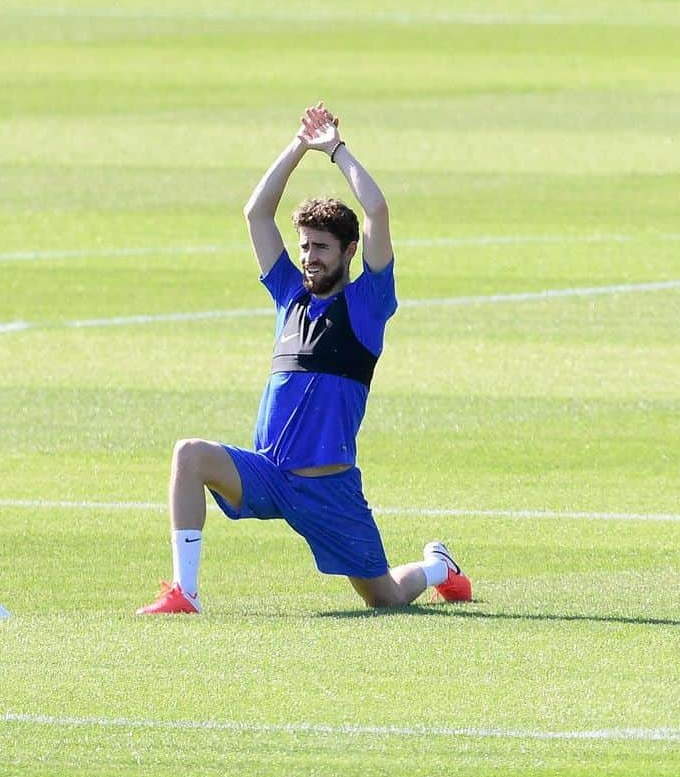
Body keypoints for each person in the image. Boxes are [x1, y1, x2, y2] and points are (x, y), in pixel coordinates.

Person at [137, 103, 472, 614]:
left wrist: (335, 149)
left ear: (348, 251)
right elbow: (255, 214)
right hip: (269, 474)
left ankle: (436, 567)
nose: (309, 256)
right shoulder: (288, 295)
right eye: (305, 246)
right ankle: (185, 593)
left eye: (321, 247)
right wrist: (298, 145)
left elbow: (378, 212)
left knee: (385, 599)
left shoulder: (367, 305)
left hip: (328, 491)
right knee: (190, 454)